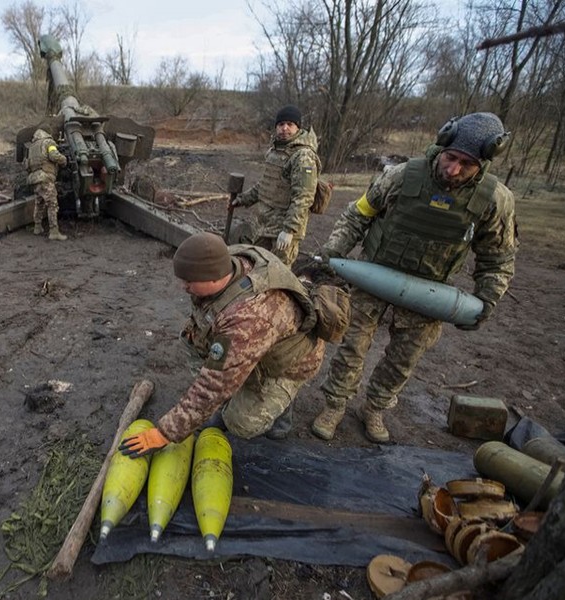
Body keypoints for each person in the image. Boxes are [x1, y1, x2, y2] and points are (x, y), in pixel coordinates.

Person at [311, 112, 517, 443]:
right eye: (450, 158)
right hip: (373, 277)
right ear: (442, 144)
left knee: (403, 359)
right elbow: (358, 214)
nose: (453, 170)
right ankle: (335, 404)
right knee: (351, 347)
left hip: (430, 293)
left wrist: (487, 299)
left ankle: (375, 407)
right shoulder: (402, 176)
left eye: (466, 164)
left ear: (484, 163)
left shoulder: (494, 200)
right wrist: (334, 252)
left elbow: (498, 257)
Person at [118, 232, 349, 458]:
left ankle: (283, 405)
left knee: (240, 423)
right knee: (190, 341)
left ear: (213, 279)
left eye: (189, 281)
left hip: (290, 363)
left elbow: (213, 386)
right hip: (258, 343)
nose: (183, 287)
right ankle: (239, 384)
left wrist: (164, 433)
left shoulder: (248, 317)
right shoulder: (227, 260)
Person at [230, 105, 321, 266]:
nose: (284, 128)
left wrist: (289, 230)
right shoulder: (276, 150)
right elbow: (266, 184)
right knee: (256, 267)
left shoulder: (303, 156)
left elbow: (303, 197)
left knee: (277, 274)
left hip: (283, 230)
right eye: (281, 124)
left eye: (290, 124)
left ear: (298, 127)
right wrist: (243, 199)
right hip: (265, 225)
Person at [26, 128, 69, 241]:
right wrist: (64, 160)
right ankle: (54, 231)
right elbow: (54, 155)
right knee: (52, 204)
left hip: (35, 179)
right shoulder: (48, 142)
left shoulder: (32, 147)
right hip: (45, 177)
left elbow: (27, 165)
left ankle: (37, 227)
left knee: (39, 203)